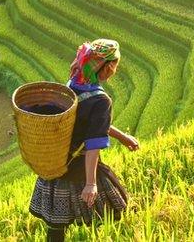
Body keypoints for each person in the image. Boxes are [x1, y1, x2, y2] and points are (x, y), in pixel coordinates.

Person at [29, 39, 140, 242]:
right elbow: (93, 144)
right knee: (115, 209)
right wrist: (91, 183)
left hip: (57, 162)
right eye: (115, 64)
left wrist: (123, 137)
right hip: (80, 166)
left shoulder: (72, 85)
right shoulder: (101, 101)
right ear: (106, 67)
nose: (115, 69)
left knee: (56, 225)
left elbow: (91, 124)